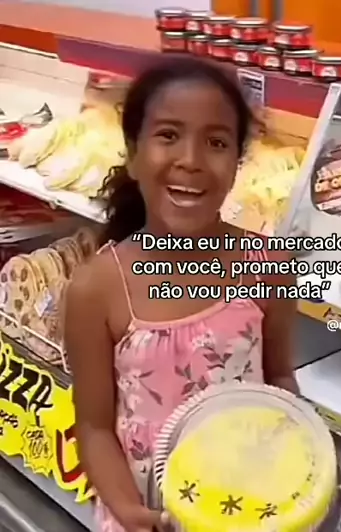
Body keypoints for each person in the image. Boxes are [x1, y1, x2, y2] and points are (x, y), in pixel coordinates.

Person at [64, 55, 299, 532]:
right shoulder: (96, 289)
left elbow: (279, 378)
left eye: (216, 142)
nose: (191, 160)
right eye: (168, 135)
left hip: (247, 507)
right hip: (147, 512)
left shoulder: (268, 267)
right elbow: (94, 426)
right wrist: (128, 510)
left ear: (237, 164)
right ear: (133, 154)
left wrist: (301, 446)